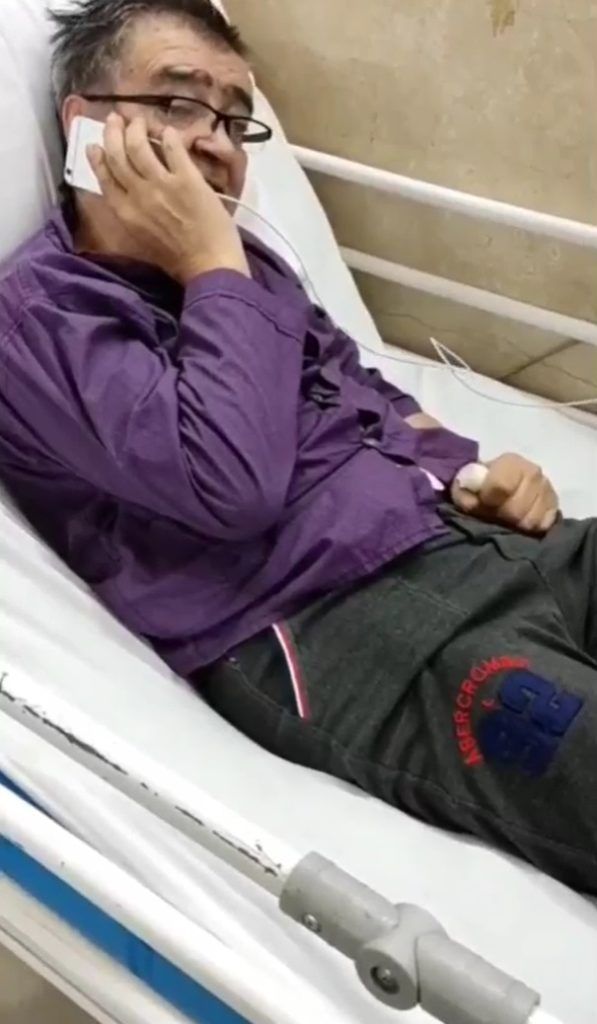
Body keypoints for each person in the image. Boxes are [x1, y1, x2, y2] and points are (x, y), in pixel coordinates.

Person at [0, 0, 595, 895]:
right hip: (342, 625)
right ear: (85, 125)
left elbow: (371, 394)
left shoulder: (254, 268)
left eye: (234, 118)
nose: (216, 142)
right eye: (176, 103)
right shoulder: (45, 320)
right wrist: (209, 261)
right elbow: (229, 483)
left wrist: (476, 473)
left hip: (472, 543)